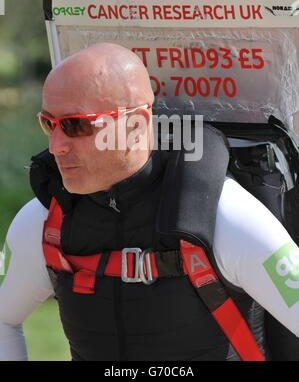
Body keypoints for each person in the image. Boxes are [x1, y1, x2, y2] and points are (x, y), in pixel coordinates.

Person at [1, 42, 299, 361]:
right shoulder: (45, 223)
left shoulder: (224, 216)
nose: (56, 145)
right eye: (49, 123)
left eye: (77, 125)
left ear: (136, 123)